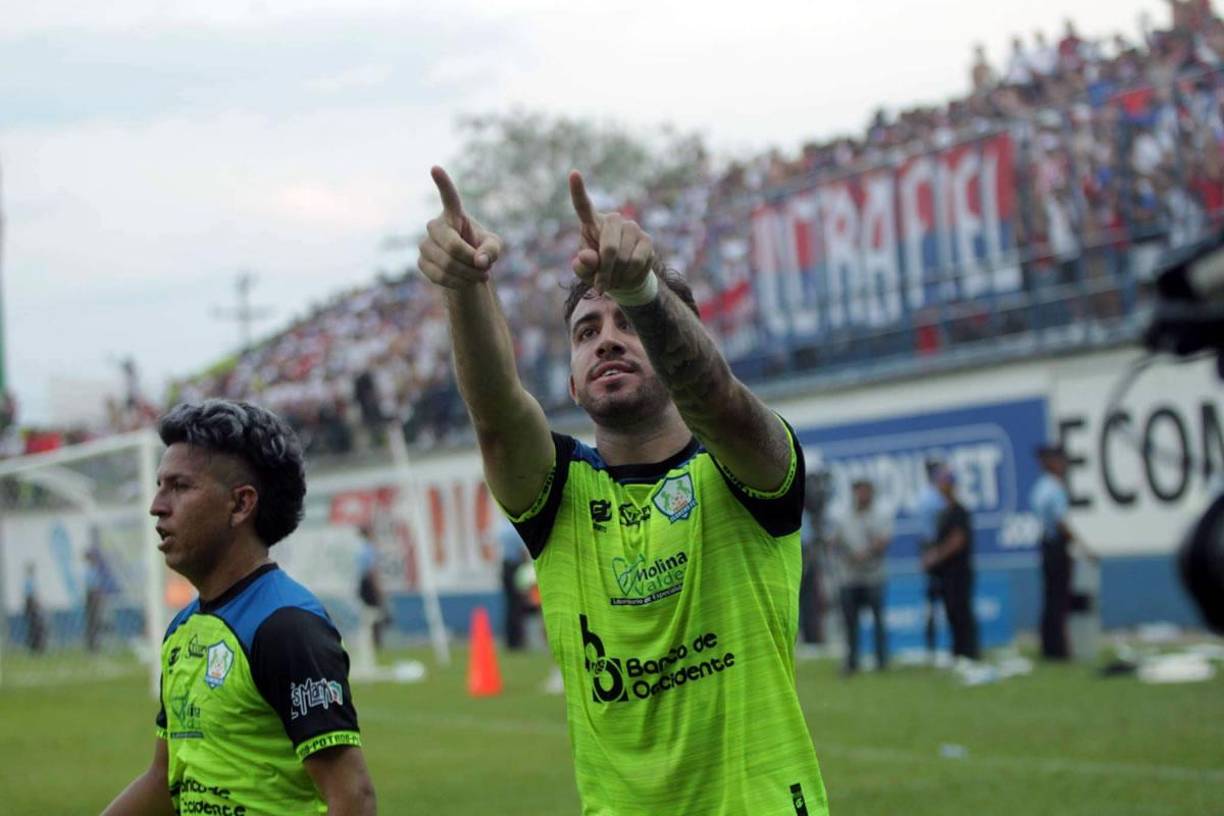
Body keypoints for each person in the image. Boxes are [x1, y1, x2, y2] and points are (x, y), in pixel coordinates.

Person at [417, 166, 828, 814]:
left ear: (676, 341)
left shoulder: (743, 472)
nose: (606, 337)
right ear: (574, 385)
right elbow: (496, 412)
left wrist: (646, 291)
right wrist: (466, 288)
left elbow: (718, 402)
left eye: (627, 323)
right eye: (586, 331)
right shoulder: (560, 497)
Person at [102, 400, 376, 816]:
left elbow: (352, 797)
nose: (157, 505)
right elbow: (164, 779)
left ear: (241, 504)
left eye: (180, 486)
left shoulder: (286, 627)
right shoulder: (183, 629)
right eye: (160, 485)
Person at [1030, 443, 1095, 660]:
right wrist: (1084, 548)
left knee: (1049, 598)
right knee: (1059, 599)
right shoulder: (1055, 488)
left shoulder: (1040, 487)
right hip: (1056, 547)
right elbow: (1061, 523)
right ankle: (1059, 649)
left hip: (1046, 546)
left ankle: (1049, 647)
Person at [831, 479, 892, 674]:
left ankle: (881, 661)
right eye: (860, 491)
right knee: (850, 623)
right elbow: (834, 541)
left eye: (867, 492)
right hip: (849, 577)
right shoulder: (842, 515)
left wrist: (865, 554)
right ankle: (851, 661)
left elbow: (884, 540)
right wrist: (848, 555)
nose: (863, 496)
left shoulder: (881, 514)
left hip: (873, 576)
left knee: (878, 621)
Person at [922, 469, 979, 661]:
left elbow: (958, 540)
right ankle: (958, 651)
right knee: (951, 613)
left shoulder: (959, 511)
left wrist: (936, 556)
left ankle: (969, 651)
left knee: (962, 611)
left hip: (959, 571)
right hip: (945, 573)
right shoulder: (943, 513)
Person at [914, 457, 946, 658]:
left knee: (934, 599)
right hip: (934, 547)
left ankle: (933, 645)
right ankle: (932, 644)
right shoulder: (932, 497)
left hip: (931, 546)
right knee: (936, 597)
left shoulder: (927, 495)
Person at [356, 523, 389, 653]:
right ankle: (376, 642)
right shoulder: (369, 549)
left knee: (370, 613)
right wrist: (378, 587)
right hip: (369, 583)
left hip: (363, 583)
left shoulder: (361, 548)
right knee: (375, 613)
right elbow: (372, 571)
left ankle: (373, 641)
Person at [498, 514, 529, 650]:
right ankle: (517, 641)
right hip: (515, 567)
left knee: (510, 605)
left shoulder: (502, 528)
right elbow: (522, 550)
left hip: (505, 567)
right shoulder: (515, 529)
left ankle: (511, 640)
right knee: (517, 605)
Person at [23, 562, 46, 653]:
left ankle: (36, 646)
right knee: (35, 626)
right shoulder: (30, 581)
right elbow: (32, 596)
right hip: (32, 605)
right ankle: (36, 646)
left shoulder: (30, 580)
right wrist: (37, 604)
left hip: (31, 605)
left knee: (34, 626)